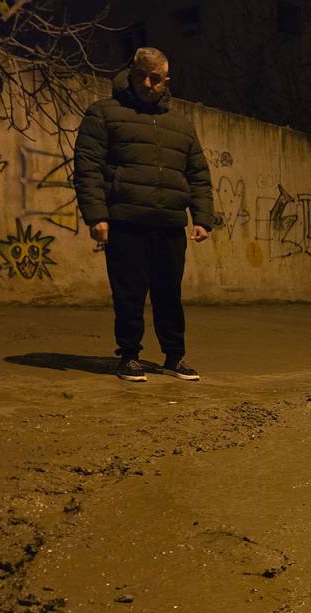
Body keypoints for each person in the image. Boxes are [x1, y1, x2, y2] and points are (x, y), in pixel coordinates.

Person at [73, 47, 214, 382]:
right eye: (143, 77)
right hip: (126, 220)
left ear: (166, 81)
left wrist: (203, 218)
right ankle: (130, 356)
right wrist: (97, 216)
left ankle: (174, 357)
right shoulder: (104, 113)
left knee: (170, 293)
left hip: (168, 224)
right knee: (129, 292)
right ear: (131, 73)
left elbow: (198, 173)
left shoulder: (180, 125)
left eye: (157, 79)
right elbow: (87, 168)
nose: (149, 84)